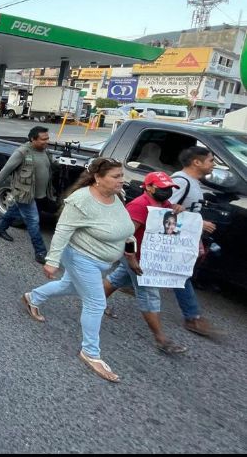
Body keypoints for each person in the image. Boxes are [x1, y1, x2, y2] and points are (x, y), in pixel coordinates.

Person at [21, 158, 135, 383]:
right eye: (116, 176)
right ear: (98, 178)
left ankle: (32, 297)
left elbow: (125, 228)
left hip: (101, 260)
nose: (122, 180)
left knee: (69, 286)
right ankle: (90, 353)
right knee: (96, 302)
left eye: (122, 175)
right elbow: (62, 231)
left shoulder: (117, 196)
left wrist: (130, 254)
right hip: (81, 257)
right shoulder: (81, 200)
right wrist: (52, 260)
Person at [102, 171, 187, 354]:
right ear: (148, 187)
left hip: (147, 256)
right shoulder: (139, 205)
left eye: (169, 188)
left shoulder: (164, 204)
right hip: (137, 257)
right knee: (149, 294)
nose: (167, 191)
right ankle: (161, 339)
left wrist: (179, 210)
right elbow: (126, 234)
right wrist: (131, 258)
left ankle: (95, 304)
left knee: (118, 279)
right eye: (162, 188)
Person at [168, 146, 219, 337]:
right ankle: (192, 317)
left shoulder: (193, 182)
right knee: (181, 274)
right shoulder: (180, 181)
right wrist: (200, 223)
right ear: (196, 162)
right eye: (211, 160)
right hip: (171, 238)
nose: (213, 164)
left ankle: (102, 296)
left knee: (133, 269)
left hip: (182, 237)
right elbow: (165, 208)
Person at [0, 126, 53, 265]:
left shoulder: (45, 151)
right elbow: (7, 169)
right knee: (33, 221)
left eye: (47, 138)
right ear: (33, 139)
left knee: (14, 210)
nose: (47, 141)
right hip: (25, 193)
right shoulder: (22, 152)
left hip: (39, 194)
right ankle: (40, 252)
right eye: (43, 139)